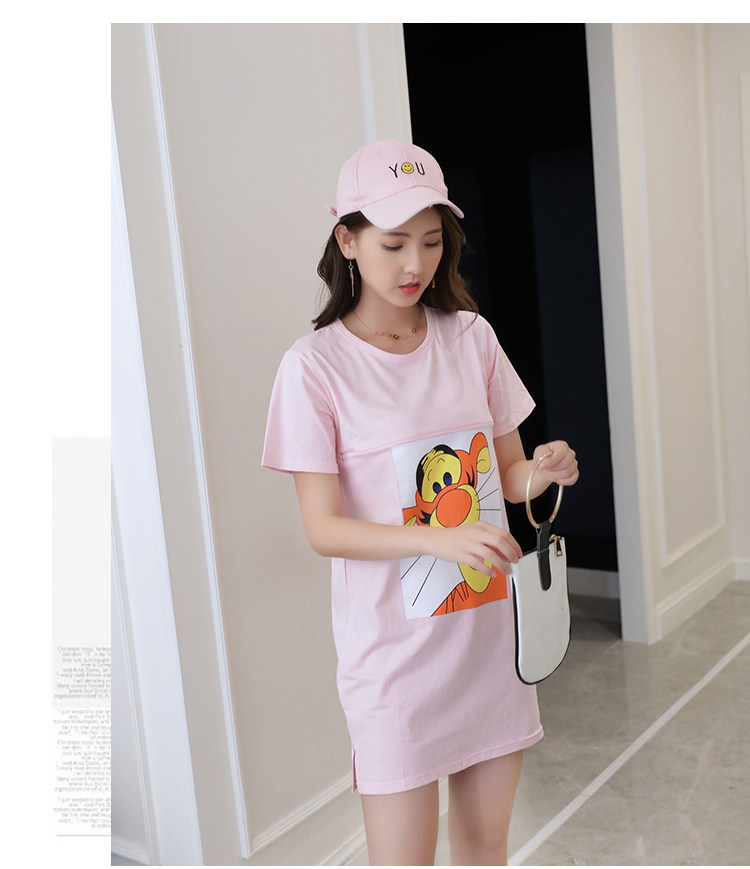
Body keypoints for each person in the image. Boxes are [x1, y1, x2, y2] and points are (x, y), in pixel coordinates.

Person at [262, 139, 579, 865]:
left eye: (432, 242)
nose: (415, 264)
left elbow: (505, 473)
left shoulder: (471, 337)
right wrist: (437, 538)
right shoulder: (314, 368)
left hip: (488, 640)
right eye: (394, 243)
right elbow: (323, 528)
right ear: (348, 240)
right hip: (394, 661)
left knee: (486, 843)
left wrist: (543, 469)